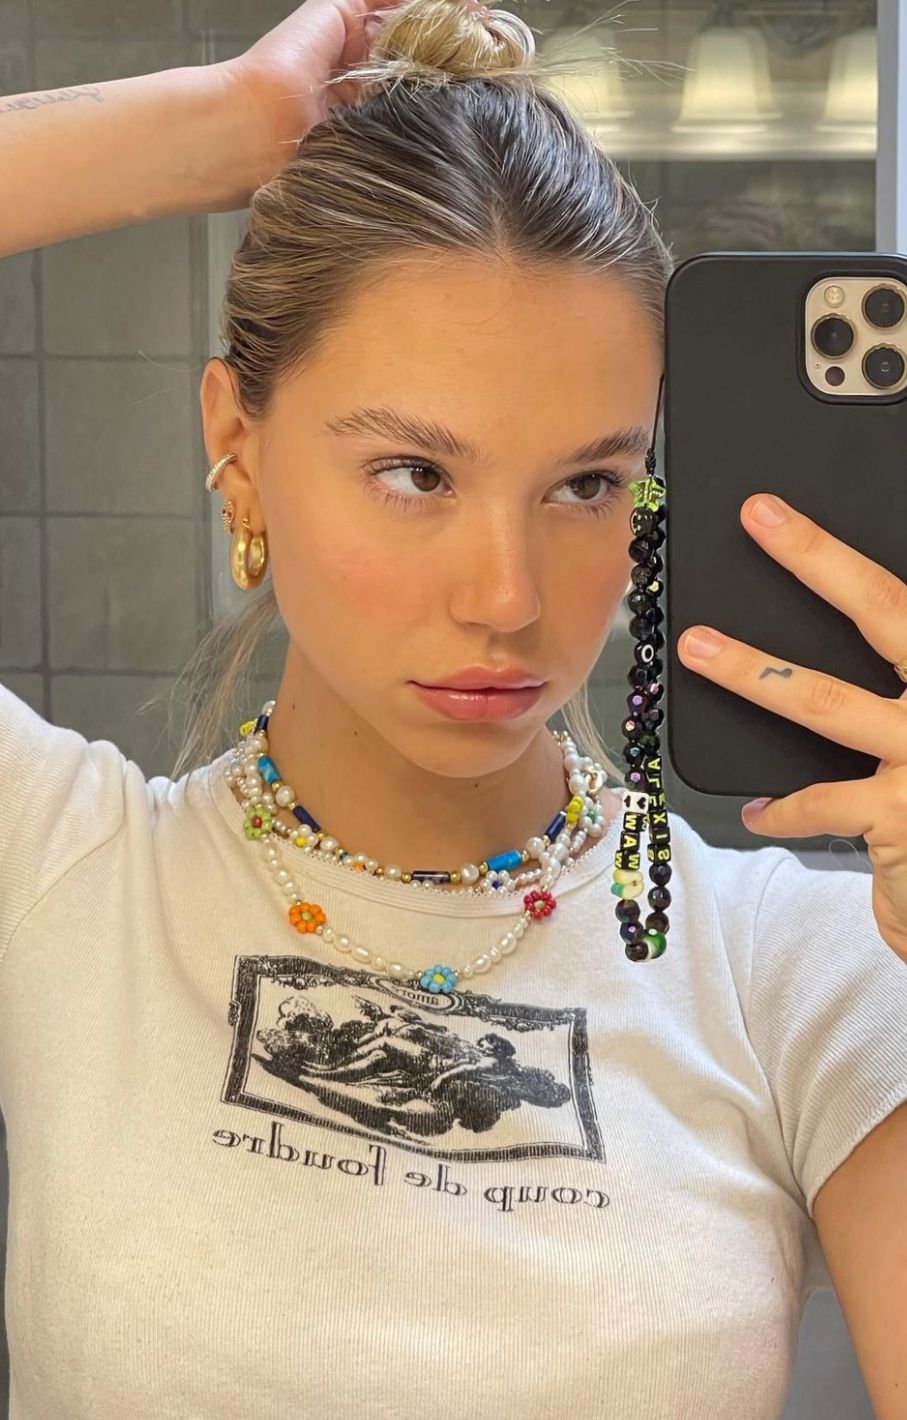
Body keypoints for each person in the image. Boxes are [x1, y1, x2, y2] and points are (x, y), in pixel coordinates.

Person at [0, 1, 906, 1416]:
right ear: (235, 442)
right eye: (416, 473)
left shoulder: (797, 967)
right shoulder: (58, 871)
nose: (507, 597)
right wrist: (215, 128)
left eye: (587, 485)